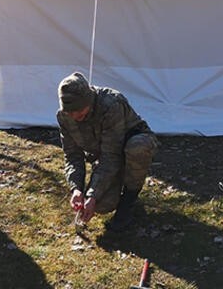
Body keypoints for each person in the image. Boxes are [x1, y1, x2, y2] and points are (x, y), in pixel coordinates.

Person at [57, 72, 159, 232]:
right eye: (70, 112)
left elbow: (112, 154)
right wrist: (77, 189)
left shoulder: (111, 104)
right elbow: (72, 156)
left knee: (138, 147)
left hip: (130, 147)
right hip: (105, 156)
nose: (75, 116)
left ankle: (130, 198)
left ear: (89, 101)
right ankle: (117, 189)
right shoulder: (64, 117)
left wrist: (92, 194)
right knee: (102, 204)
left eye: (79, 110)